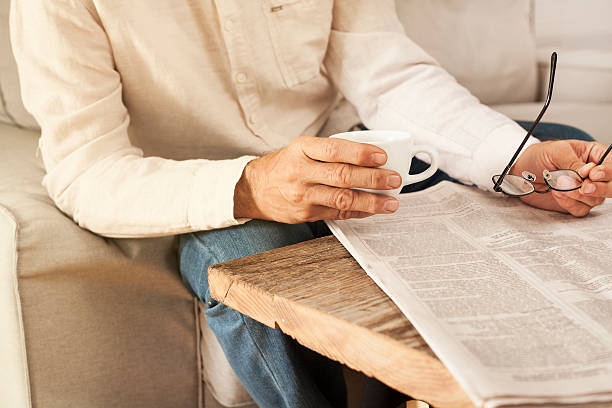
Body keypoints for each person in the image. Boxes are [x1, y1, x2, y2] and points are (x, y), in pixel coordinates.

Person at [11, 1, 611, 407]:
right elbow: (86, 171)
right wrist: (251, 185)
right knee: (251, 269)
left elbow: (387, 75)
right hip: (207, 192)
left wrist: (512, 157)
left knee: (555, 156)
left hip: (343, 158)